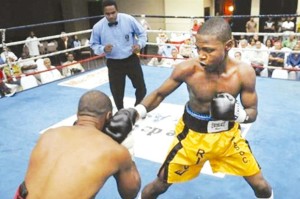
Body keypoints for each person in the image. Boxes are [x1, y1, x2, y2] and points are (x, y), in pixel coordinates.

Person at [112, 17, 273, 199]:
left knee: (262, 187)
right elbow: (159, 94)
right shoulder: (188, 69)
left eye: (209, 50)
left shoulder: (243, 73)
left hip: (228, 139)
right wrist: (134, 112)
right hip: (191, 138)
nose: (202, 55)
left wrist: (239, 115)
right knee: (158, 186)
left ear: (228, 45)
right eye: (199, 49)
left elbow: (252, 112)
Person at [14, 90, 141, 199]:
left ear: (77, 113)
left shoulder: (48, 135)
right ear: (108, 116)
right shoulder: (115, 150)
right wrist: (128, 149)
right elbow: (130, 193)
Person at [90, 0, 147, 110]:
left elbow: (142, 34)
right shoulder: (98, 27)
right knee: (117, 92)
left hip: (131, 59)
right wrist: (103, 49)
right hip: (113, 63)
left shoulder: (128, 19)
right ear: (103, 13)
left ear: (117, 10)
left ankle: (136, 109)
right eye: (107, 14)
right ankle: (121, 112)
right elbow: (93, 45)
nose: (111, 16)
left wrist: (139, 45)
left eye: (113, 12)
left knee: (141, 87)